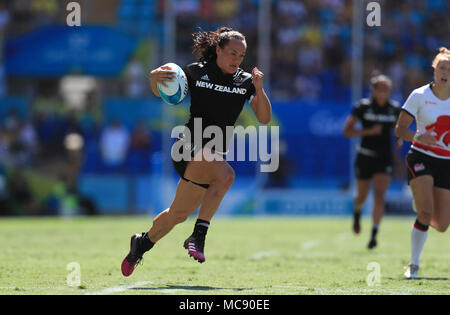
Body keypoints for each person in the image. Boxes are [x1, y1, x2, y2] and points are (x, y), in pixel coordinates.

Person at [121, 27, 272, 277]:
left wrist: (259, 87)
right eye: (232, 53)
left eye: (241, 56)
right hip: (187, 146)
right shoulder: (195, 72)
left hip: (210, 157)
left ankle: (141, 243)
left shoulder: (245, 81)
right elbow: (164, 92)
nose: (237, 60)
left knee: (177, 214)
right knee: (226, 176)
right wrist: (153, 78)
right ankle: (198, 236)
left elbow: (264, 119)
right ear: (218, 50)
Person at [395, 47, 450, 279]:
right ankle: (413, 265)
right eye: (442, 67)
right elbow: (399, 129)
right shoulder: (419, 95)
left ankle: (422, 207)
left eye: (449, 68)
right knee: (426, 213)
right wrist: (417, 136)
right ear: (434, 69)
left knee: (442, 224)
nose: (445, 72)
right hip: (421, 156)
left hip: (446, 163)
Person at [343, 74, 402, 249]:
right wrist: (368, 132)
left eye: (387, 88)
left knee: (379, 195)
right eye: (381, 88)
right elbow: (347, 131)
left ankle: (374, 234)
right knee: (362, 195)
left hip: (384, 158)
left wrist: (399, 139)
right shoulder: (362, 107)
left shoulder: (394, 109)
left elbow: (399, 129)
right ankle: (357, 213)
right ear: (374, 90)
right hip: (365, 156)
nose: (384, 91)